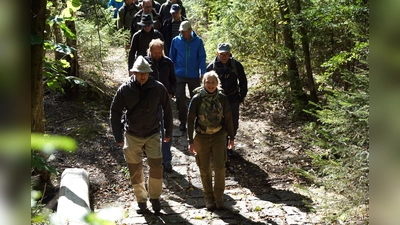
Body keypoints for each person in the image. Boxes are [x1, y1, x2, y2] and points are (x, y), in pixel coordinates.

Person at [109, 55, 173, 214]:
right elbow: (115, 112)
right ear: (134, 73)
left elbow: (168, 110)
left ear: (150, 73)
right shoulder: (124, 89)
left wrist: (168, 131)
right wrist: (118, 136)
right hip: (132, 134)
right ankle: (141, 200)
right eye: (139, 72)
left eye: (145, 72)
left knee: (156, 167)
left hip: (152, 133)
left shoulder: (158, 88)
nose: (143, 75)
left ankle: (155, 198)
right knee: (135, 169)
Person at [187, 71, 235, 210]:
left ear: (217, 83)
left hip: (219, 136)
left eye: (213, 82)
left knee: (220, 167)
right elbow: (190, 121)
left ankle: (219, 196)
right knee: (204, 168)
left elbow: (228, 118)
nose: (210, 85)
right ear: (204, 83)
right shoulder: (197, 99)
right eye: (208, 82)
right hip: (201, 137)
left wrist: (231, 137)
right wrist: (190, 141)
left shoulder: (222, 99)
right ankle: (208, 197)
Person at [206, 43, 248, 157]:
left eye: (226, 54)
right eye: (221, 54)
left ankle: (230, 144)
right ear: (217, 53)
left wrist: (241, 96)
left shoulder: (236, 65)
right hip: (217, 100)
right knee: (218, 123)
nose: (224, 57)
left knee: (233, 123)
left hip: (233, 98)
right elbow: (206, 84)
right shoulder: (212, 67)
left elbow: (243, 81)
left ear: (230, 53)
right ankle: (220, 146)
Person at [144, 39, 176, 172]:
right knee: (149, 131)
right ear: (150, 51)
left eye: (159, 52)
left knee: (166, 130)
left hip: (164, 102)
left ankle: (166, 160)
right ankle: (152, 158)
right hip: (148, 103)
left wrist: (171, 92)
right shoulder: (144, 62)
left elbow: (173, 80)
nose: (157, 54)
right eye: (154, 52)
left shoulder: (167, 62)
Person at [169, 20, 206, 131]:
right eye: (181, 31)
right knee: (180, 97)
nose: (182, 33)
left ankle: (195, 120)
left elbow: (202, 57)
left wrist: (202, 72)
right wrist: (171, 73)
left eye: (184, 31)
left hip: (193, 74)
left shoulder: (198, 41)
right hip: (179, 74)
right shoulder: (176, 41)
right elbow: (171, 58)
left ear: (190, 30)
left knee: (196, 98)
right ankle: (183, 120)